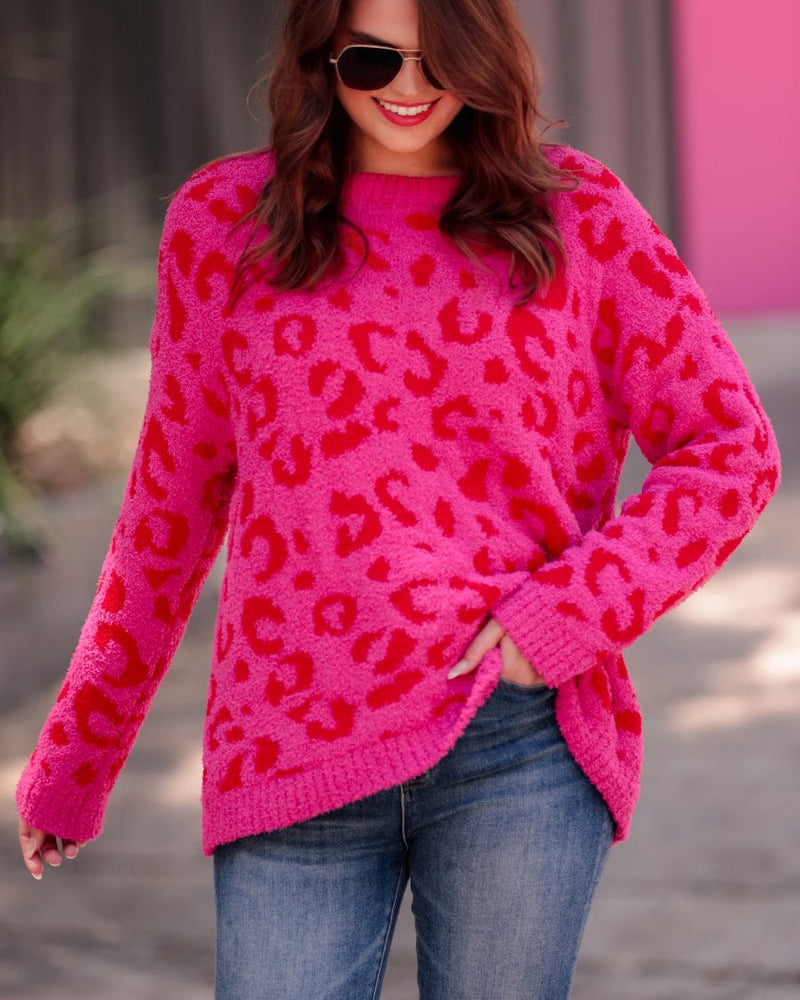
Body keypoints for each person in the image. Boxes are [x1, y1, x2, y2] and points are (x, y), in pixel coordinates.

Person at [17, 0, 780, 997]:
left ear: (485, 56)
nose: (410, 88)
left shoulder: (581, 217)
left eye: (441, 58)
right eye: (373, 61)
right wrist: (78, 752)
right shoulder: (225, 224)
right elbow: (169, 509)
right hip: (288, 739)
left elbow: (728, 449)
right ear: (322, 56)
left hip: (514, 741)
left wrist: (561, 617)